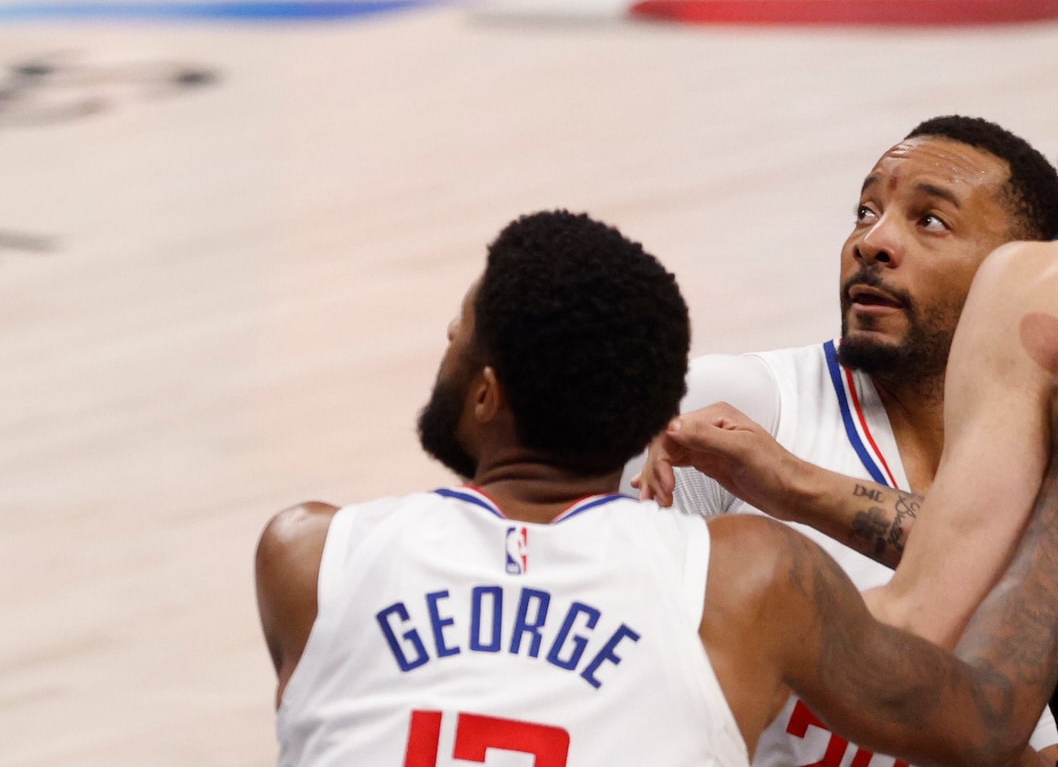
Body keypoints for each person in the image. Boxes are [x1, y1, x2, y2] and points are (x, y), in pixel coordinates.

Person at [257, 210, 1058, 767]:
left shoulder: (308, 555)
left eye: (457, 335)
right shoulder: (744, 581)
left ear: (485, 394)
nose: (445, 342)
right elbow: (985, 721)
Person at [637, 116, 1058, 766]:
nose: (874, 240)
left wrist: (792, 483)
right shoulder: (734, 408)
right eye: (865, 211)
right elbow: (596, 662)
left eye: (931, 222)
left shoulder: (1038, 465)